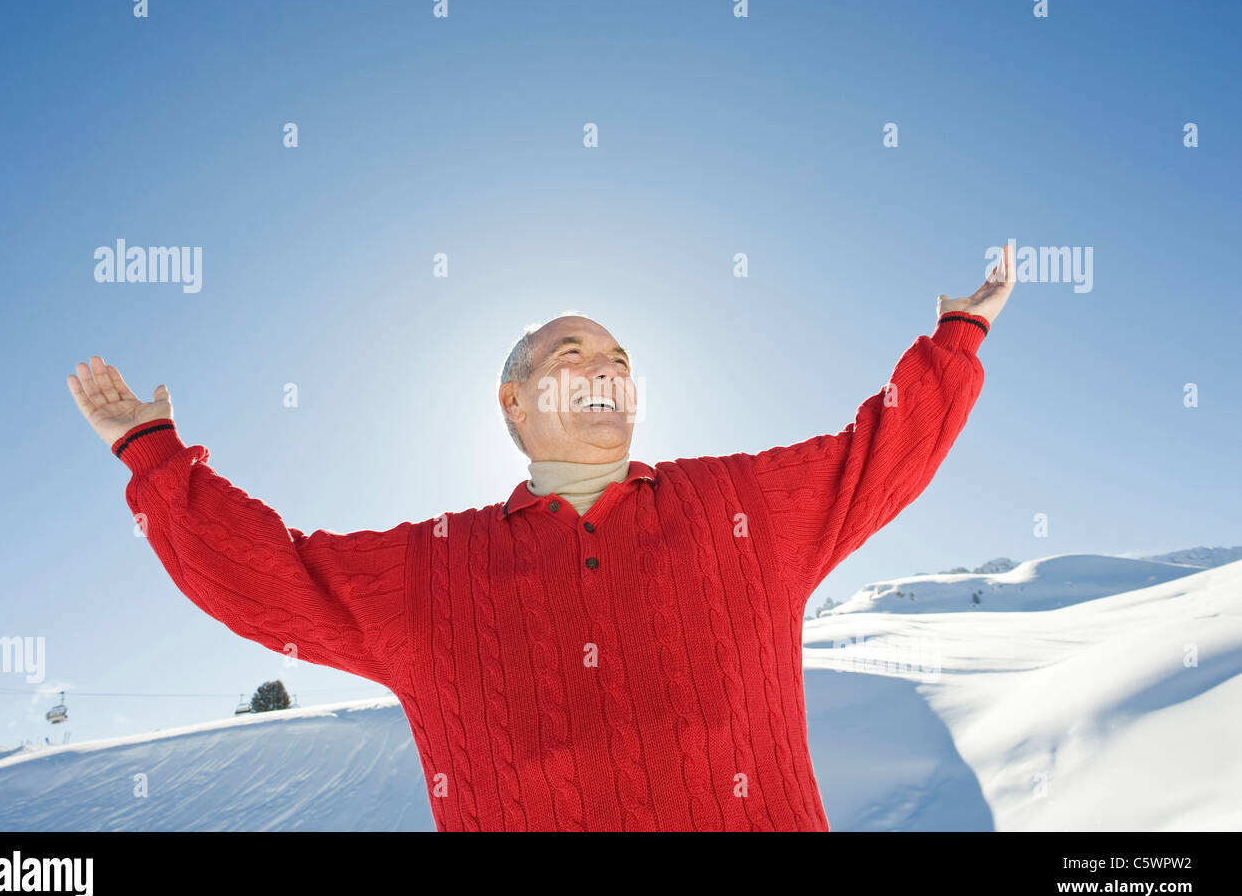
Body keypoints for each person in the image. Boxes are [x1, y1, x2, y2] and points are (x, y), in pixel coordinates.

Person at [68, 244, 1016, 831]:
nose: (603, 370)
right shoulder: (436, 569)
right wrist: (153, 454)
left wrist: (957, 337)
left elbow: (875, 455)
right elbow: (270, 578)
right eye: (574, 355)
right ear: (513, 403)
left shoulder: (740, 509)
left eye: (619, 360)